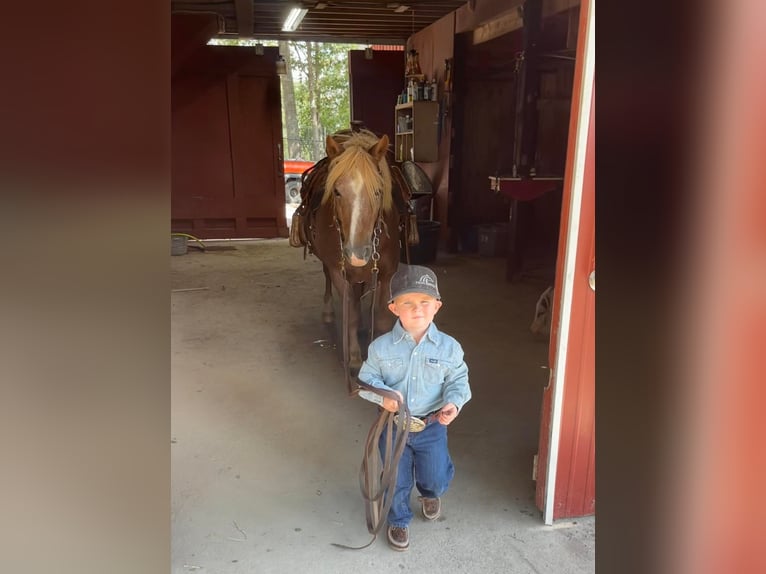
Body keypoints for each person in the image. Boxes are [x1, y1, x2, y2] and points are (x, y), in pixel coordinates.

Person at [357, 264, 471, 551]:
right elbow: (365, 380)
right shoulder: (381, 348)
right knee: (396, 477)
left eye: (424, 302)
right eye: (407, 302)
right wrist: (381, 397)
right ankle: (399, 519)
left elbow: (459, 379)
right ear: (394, 308)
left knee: (434, 476)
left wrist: (453, 404)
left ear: (437, 307)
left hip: (431, 425)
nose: (416, 309)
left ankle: (431, 493)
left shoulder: (449, 348)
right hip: (393, 426)